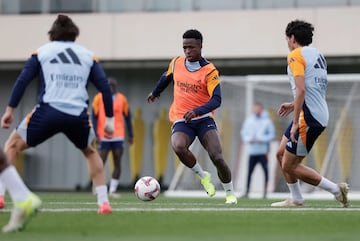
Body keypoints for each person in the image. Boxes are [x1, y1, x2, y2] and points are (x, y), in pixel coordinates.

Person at [0, 14, 114, 232]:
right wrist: (109, 120)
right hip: (78, 114)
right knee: (91, 152)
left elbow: (23, 80)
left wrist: (9, 110)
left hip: (48, 111)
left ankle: (1, 196)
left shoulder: (41, 52)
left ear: (52, 34)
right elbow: (105, 88)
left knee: (12, 146)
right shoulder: (89, 56)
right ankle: (103, 202)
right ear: (74, 34)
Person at [147, 29, 237, 204]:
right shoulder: (177, 62)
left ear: (201, 46)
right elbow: (166, 76)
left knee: (217, 157)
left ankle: (230, 193)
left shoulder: (210, 71)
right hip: (182, 118)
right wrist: (156, 92)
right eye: (184, 47)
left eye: (191, 47)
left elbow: (217, 100)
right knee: (178, 146)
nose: (187, 51)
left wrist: (197, 111)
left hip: (203, 119)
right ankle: (203, 176)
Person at [271, 20, 349, 207]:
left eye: (287, 38)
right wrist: (293, 105)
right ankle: (296, 198)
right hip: (315, 112)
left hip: (308, 116)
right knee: (281, 154)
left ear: (292, 38)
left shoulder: (294, 55)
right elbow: (312, 88)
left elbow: (301, 90)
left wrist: (296, 122)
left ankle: (337, 190)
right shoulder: (317, 54)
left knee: (289, 165)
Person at [92, 77, 134, 197]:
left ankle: (112, 190)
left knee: (117, 160)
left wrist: (131, 134)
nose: (110, 88)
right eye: (108, 85)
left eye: (112, 86)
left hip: (118, 134)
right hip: (103, 134)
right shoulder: (98, 97)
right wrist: (96, 134)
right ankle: (97, 186)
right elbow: (94, 117)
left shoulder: (122, 99)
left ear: (115, 86)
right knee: (101, 161)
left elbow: (127, 117)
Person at [240, 102, 275, 199]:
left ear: (261, 109)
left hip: (263, 152)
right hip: (252, 151)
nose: (256, 110)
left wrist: (262, 139)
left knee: (265, 172)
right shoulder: (249, 120)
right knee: (249, 172)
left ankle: (265, 193)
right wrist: (248, 139)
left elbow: (272, 135)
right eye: (254, 108)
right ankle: (246, 191)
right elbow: (243, 133)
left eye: (258, 108)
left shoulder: (267, 121)